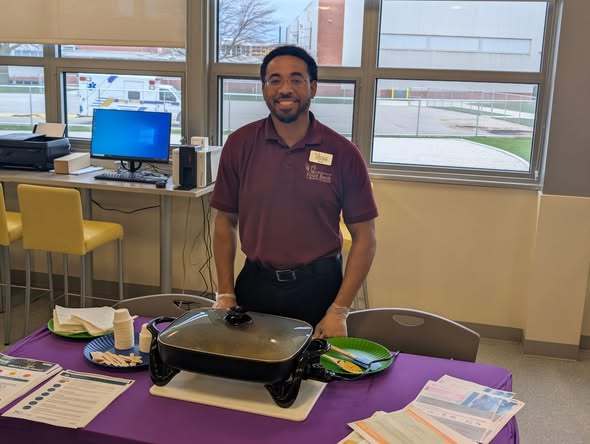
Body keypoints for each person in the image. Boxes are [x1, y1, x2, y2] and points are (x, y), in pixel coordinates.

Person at [210, 45, 377, 338]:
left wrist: (339, 309)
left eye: (296, 79)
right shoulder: (239, 145)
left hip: (319, 288)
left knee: (316, 377)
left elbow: (365, 238)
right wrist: (225, 293)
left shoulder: (343, 153)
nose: (285, 89)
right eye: (275, 80)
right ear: (264, 88)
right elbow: (225, 222)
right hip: (255, 284)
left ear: (313, 87)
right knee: (251, 372)